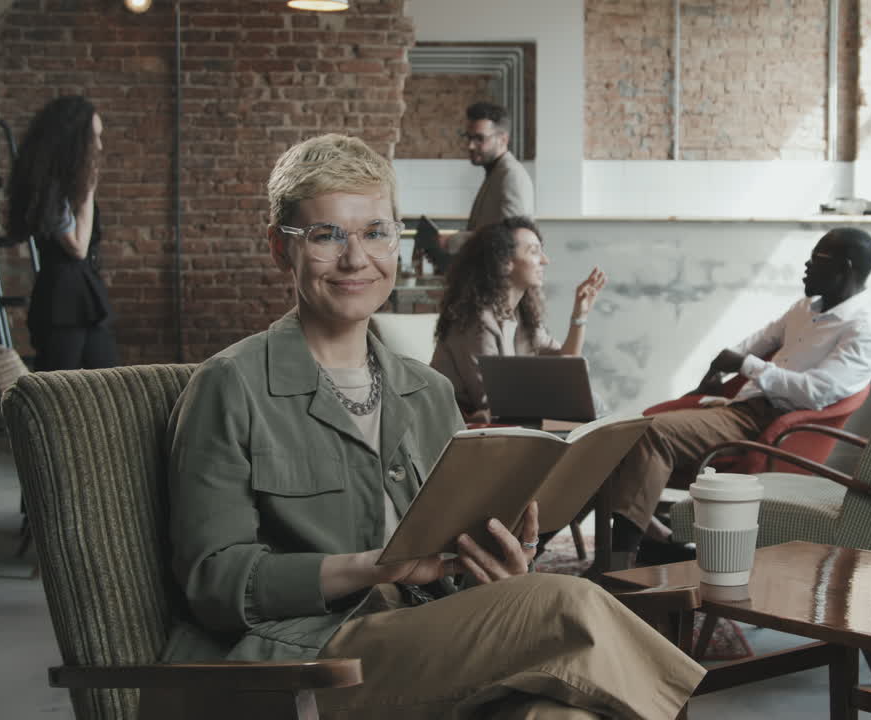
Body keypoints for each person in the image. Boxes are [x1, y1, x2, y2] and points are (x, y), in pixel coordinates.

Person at [164, 134, 702, 719]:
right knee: (564, 606)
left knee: (560, 715)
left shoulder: (429, 393)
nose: (355, 258)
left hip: (425, 644)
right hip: (306, 661)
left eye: (376, 232)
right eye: (326, 235)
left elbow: (451, 573)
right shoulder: (231, 386)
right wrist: (373, 566)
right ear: (280, 248)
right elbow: (214, 583)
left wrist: (501, 566)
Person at [603, 227, 871, 570]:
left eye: (817, 258)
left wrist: (746, 365)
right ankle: (656, 542)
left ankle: (619, 563)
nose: (807, 266)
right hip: (739, 408)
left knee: (653, 434)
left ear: (845, 267)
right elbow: (756, 342)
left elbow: (816, 392)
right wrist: (724, 364)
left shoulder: (863, 331)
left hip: (770, 425)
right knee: (619, 434)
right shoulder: (804, 309)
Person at [431, 216, 607, 423]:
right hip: (468, 427)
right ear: (505, 263)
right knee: (592, 406)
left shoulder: (521, 314)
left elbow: (565, 363)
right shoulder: (476, 321)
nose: (545, 260)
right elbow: (490, 400)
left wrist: (579, 315)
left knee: (594, 403)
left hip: (507, 417)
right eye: (534, 252)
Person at [7, 95, 118, 370]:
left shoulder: (62, 188)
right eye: (94, 137)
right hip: (62, 304)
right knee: (60, 384)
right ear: (75, 141)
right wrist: (89, 191)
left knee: (106, 379)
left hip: (83, 301)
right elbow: (78, 247)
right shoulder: (51, 191)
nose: (99, 146)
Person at [444, 101, 535, 256]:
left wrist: (452, 241)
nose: (470, 146)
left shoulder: (511, 175)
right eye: (469, 137)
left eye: (479, 138)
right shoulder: (496, 172)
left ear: (503, 139)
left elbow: (511, 236)